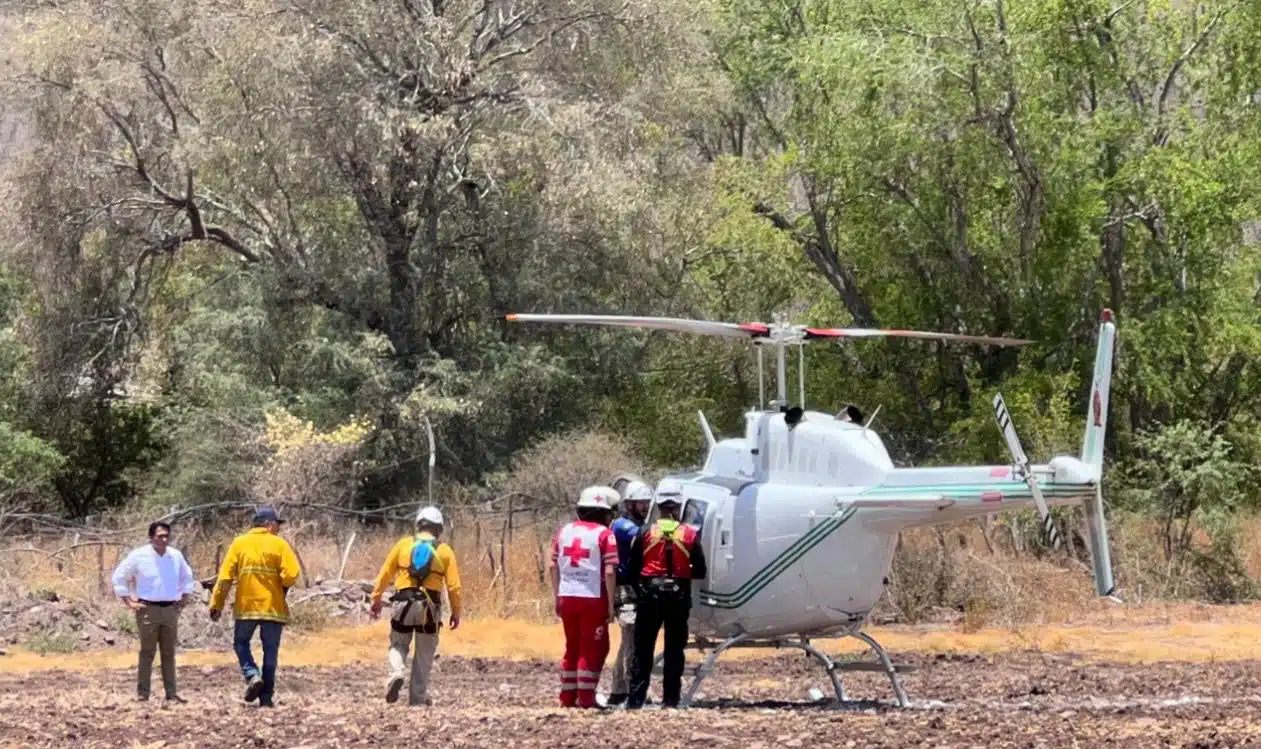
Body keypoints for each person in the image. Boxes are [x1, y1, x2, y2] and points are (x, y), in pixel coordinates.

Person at [625, 478, 707, 710]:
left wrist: (640, 589)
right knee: (674, 650)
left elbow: (632, 570)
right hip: (678, 597)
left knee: (643, 650)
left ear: (658, 506)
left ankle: (635, 700)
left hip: (650, 597)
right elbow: (700, 571)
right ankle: (671, 700)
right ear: (679, 506)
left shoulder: (645, 533)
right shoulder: (690, 535)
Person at [208, 506, 302, 708]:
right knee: (270, 653)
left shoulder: (239, 543)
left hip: (246, 607)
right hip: (272, 608)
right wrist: (281, 586)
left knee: (241, 644)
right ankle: (266, 698)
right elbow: (292, 575)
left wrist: (217, 604)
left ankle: (252, 674)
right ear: (268, 525)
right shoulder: (279, 545)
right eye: (277, 524)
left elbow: (224, 578)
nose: (278, 528)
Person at [369, 505, 462, 707]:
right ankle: (417, 698)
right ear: (439, 529)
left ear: (418, 525)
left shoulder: (403, 545)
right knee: (424, 653)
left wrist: (376, 599)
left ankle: (396, 673)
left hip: (402, 603)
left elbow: (385, 573)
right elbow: (454, 587)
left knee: (398, 644)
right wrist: (456, 612)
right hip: (429, 607)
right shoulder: (445, 552)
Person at [110, 520, 198, 703]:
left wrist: (184, 598)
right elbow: (119, 577)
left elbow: (187, 576)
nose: (164, 539)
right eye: (160, 536)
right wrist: (128, 601)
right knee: (147, 652)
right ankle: (143, 694)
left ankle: (171, 694)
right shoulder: (139, 556)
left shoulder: (175, 556)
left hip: (170, 610)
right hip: (147, 609)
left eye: (166, 536)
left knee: (169, 652)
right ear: (151, 538)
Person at [549, 485, 619, 708]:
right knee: (593, 647)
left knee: (572, 645)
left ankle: (567, 697)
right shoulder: (605, 535)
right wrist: (610, 605)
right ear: (604, 513)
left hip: (566, 595)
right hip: (593, 597)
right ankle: (587, 699)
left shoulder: (564, 531)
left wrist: (556, 597)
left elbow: (552, 566)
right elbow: (609, 571)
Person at [606, 480, 652, 707]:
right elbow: (643, 537)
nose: (644, 507)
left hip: (635, 588)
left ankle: (619, 689)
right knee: (631, 637)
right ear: (629, 505)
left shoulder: (636, 525)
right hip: (625, 589)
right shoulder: (622, 527)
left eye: (646, 503)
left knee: (629, 641)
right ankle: (624, 689)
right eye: (639, 503)